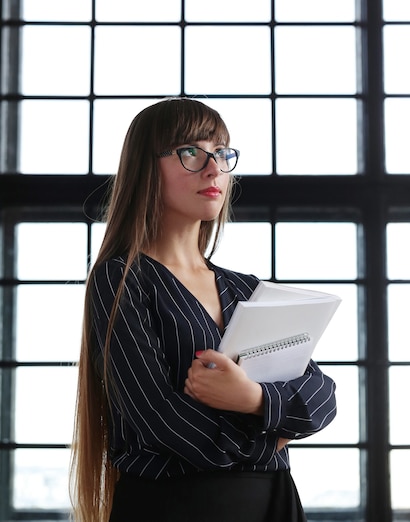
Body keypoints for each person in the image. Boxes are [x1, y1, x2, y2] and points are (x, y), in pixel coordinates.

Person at [70, 97, 337, 522]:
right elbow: (159, 418)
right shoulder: (121, 279)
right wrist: (270, 433)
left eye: (221, 153)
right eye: (190, 152)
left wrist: (252, 398)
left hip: (275, 503)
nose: (214, 168)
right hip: (172, 506)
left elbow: (321, 397)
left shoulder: (246, 289)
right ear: (145, 167)